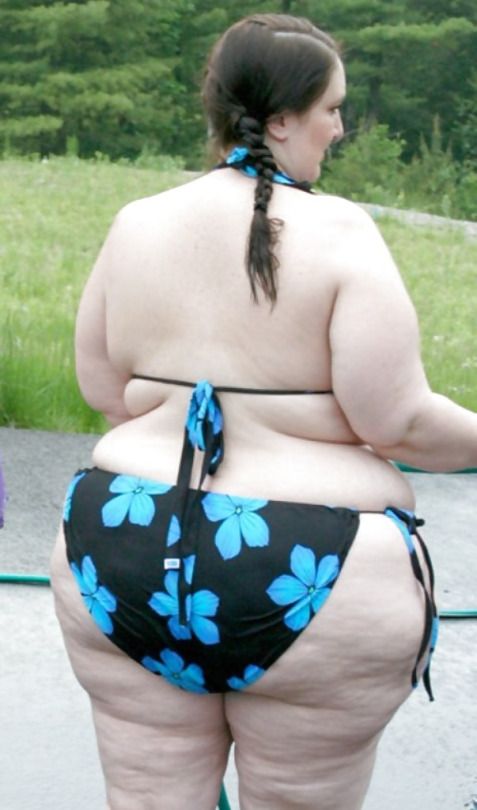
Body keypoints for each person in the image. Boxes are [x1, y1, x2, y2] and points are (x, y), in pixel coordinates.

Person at [50, 13, 477, 810]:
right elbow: (398, 422)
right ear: (280, 119)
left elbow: (104, 391)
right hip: (314, 561)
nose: (339, 128)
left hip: (122, 545)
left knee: (146, 795)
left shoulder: (136, 222)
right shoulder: (340, 230)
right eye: (330, 109)